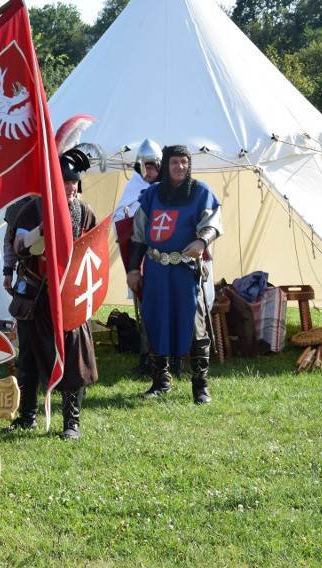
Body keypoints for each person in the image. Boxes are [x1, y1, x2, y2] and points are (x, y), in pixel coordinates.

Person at [6, 149, 99, 439]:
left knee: (75, 358)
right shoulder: (32, 209)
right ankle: (27, 417)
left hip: (69, 297)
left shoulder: (84, 212)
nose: (70, 187)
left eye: (74, 183)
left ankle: (71, 422)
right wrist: (40, 231)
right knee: (29, 358)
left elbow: (93, 254)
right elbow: (19, 245)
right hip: (34, 294)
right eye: (65, 182)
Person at [126, 145, 222, 404]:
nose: (180, 167)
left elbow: (212, 222)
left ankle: (200, 385)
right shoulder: (152, 194)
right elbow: (138, 234)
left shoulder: (200, 192)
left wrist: (202, 241)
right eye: (174, 162)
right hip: (156, 270)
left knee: (195, 324)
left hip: (186, 271)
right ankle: (161, 381)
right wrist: (133, 269)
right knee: (156, 320)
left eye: (184, 162)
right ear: (166, 166)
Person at [112, 139, 162, 376]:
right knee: (146, 309)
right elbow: (120, 218)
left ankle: (175, 359)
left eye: (153, 165)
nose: (149, 170)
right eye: (145, 165)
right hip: (142, 258)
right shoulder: (135, 187)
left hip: (167, 259)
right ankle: (147, 357)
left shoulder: (171, 188)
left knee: (169, 309)